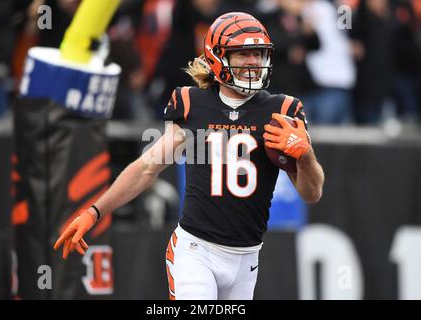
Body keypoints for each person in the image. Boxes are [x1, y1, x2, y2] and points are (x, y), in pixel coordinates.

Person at [54, 12, 324, 300]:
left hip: (247, 259)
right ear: (218, 57)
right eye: (243, 54)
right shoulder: (191, 103)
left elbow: (312, 193)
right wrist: (95, 211)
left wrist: (305, 156)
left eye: (258, 54)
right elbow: (147, 167)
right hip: (197, 252)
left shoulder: (283, 110)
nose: (253, 62)